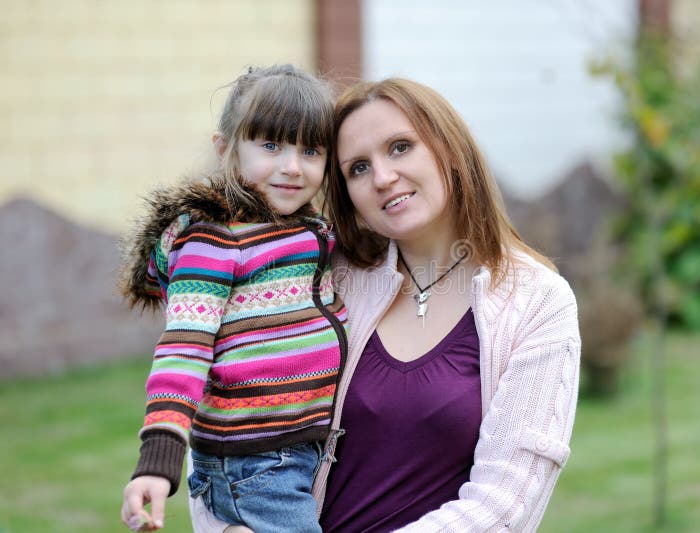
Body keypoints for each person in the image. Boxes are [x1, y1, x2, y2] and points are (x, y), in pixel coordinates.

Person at [191, 77, 581, 532]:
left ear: (449, 149)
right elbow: (226, 427)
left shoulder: (537, 302)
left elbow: (507, 503)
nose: (382, 177)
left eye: (400, 147)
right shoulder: (320, 280)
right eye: (357, 167)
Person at [119, 64, 348, 532]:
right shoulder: (214, 243)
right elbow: (185, 347)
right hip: (255, 463)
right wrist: (158, 459)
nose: (292, 166)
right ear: (226, 149)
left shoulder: (307, 229)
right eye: (270, 145)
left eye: (310, 150)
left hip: (296, 449)